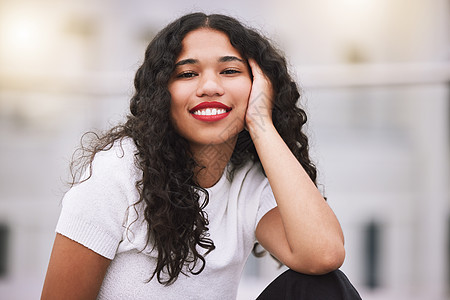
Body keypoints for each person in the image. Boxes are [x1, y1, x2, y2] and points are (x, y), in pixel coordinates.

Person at [41, 12, 361, 300]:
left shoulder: (246, 181)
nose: (210, 86)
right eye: (187, 74)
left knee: (320, 288)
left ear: (257, 87)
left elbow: (324, 255)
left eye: (230, 71)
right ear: (161, 95)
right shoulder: (117, 173)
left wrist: (261, 122)